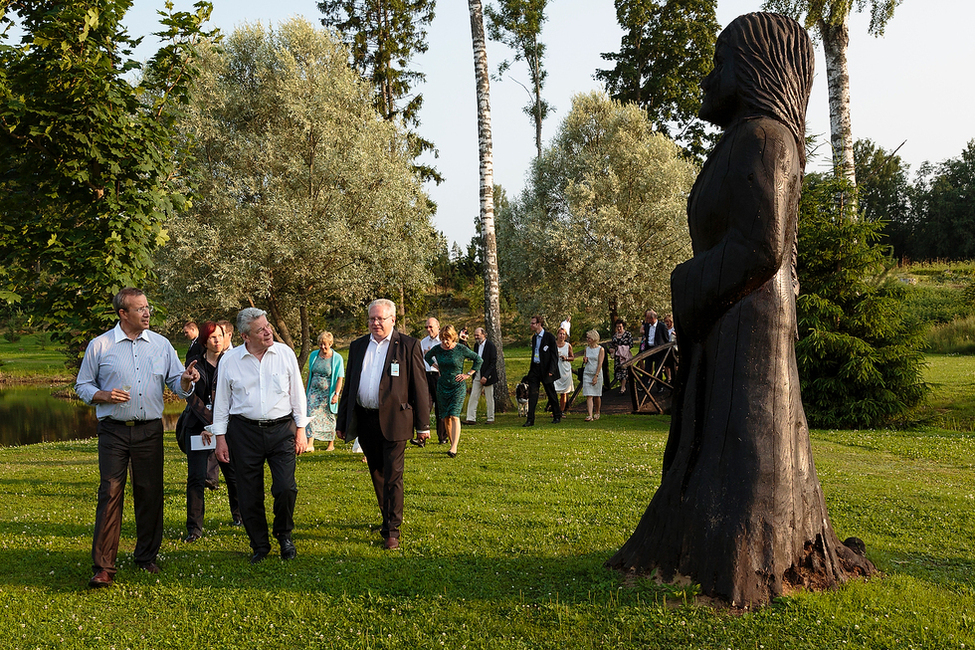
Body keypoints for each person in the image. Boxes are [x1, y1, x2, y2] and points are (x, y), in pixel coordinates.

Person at [76, 288, 200, 588]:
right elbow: (82, 385)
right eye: (140, 309)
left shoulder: (160, 344)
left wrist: (185, 381)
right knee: (110, 492)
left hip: (149, 431)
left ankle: (146, 557)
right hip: (113, 431)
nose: (147, 313)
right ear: (123, 314)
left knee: (149, 493)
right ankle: (104, 567)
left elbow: (176, 381)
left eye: (148, 308)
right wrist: (102, 395)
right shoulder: (100, 345)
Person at [212, 308, 308, 564]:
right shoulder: (229, 361)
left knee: (286, 487)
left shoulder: (284, 353)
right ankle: (260, 544)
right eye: (261, 330)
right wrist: (220, 438)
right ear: (245, 336)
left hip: (281, 430)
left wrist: (301, 430)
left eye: (268, 326)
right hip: (244, 432)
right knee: (248, 493)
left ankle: (284, 534)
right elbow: (222, 403)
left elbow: (297, 394)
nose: (268, 332)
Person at [336, 298, 430, 550]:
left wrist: (423, 426)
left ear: (393, 320)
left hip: (395, 420)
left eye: (380, 318)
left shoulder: (409, 345)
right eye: (372, 318)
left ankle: (392, 530)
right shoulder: (357, 347)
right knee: (377, 472)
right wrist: (343, 421)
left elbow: (420, 387)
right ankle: (386, 516)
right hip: (365, 420)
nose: (375, 323)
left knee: (393, 475)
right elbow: (349, 388)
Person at [181, 321, 241, 543]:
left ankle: (240, 516)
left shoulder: (233, 363)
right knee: (196, 478)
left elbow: (236, 397)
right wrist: (208, 424)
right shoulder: (195, 364)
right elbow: (190, 396)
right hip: (198, 427)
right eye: (213, 337)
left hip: (225, 428)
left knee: (232, 475)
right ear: (204, 341)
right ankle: (194, 529)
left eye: (221, 336)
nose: (218, 340)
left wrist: (217, 428)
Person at [424, 325, 482, 458]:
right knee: (446, 417)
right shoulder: (437, 349)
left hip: (458, 386)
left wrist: (468, 374)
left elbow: (478, 360)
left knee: (454, 414)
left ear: (453, 337)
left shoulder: (461, 349)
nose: (445, 342)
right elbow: (427, 357)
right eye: (443, 339)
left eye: (447, 339)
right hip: (442, 386)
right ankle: (452, 443)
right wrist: (435, 366)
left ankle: (454, 447)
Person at [305, 330, 345, 453]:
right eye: (320, 344)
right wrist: (305, 390)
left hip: (328, 393)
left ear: (330, 344)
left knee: (328, 416)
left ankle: (330, 444)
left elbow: (339, 378)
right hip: (313, 391)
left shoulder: (337, 358)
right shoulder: (314, 355)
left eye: (325, 344)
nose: (322, 347)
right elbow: (310, 374)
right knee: (310, 413)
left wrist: (336, 394)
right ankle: (310, 443)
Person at [524, 315, 562, 427]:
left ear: (539, 324)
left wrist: (551, 369)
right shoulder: (534, 338)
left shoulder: (549, 337)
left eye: (533, 323)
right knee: (533, 394)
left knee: (551, 393)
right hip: (535, 369)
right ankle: (530, 419)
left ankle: (557, 415)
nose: (531, 325)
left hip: (546, 369)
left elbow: (554, 355)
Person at [416, 317, 445, 446]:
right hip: (426, 376)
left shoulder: (443, 342)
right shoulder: (423, 342)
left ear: (438, 327)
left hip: (438, 376)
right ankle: (422, 437)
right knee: (424, 406)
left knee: (440, 407)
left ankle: (443, 437)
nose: (428, 330)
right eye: (426, 327)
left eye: (431, 327)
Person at [463, 327, 498, 425]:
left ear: (484, 334)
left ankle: (490, 418)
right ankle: (471, 418)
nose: (476, 337)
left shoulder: (490, 346)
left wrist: (486, 376)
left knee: (489, 398)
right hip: (477, 374)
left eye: (477, 335)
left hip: (488, 376)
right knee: (473, 396)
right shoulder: (476, 346)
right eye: (475, 335)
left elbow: (493, 362)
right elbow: (474, 358)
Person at [581, 329, 605, 421]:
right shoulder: (586, 349)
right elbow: (586, 361)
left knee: (597, 395)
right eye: (587, 338)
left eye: (589, 338)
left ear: (594, 338)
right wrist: (585, 360)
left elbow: (600, 363)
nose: (587, 339)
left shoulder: (600, 349)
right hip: (587, 372)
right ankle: (590, 415)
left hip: (596, 373)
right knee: (588, 395)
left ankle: (597, 412)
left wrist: (596, 375)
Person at [552, 327, 574, 414]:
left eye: (563, 334)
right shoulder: (553, 344)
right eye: (560, 334)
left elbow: (572, 358)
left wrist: (566, 358)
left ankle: (561, 411)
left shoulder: (568, 346)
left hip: (565, 370)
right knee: (553, 391)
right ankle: (555, 410)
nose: (562, 336)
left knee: (564, 392)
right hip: (555, 369)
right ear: (557, 335)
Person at [610, 319, 634, 394]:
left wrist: (623, 348)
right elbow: (612, 345)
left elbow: (631, 344)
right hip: (617, 356)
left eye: (620, 327)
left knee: (624, 370)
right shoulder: (614, 335)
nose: (619, 329)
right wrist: (612, 349)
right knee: (618, 371)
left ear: (623, 326)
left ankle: (623, 387)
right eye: (617, 327)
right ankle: (623, 385)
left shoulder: (627, 334)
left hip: (624, 356)